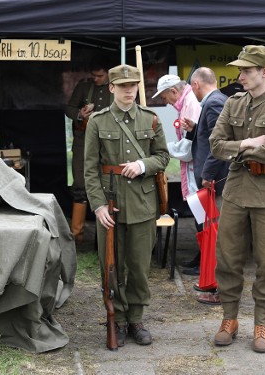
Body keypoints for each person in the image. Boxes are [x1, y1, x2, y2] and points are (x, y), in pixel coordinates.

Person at [208, 45, 265, 353]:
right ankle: (229, 319)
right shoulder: (233, 103)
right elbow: (215, 145)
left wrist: (237, 147)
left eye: (246, 70)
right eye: (240, 70)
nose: (240, 75)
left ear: (264, 72)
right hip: (235, 190)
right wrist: (247, 141)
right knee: (228, 259)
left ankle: (262, 323)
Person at [84, 64, 169, 347]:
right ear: (111, 88)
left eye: (133, 85)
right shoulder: (97, 121)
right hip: (111, 203)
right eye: (122, 86)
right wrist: (98, 206)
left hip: (143, 204)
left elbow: (163, 157)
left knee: (139, 267)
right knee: (112, 267)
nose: (129, 90)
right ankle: (117, 320)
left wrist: (143, 164)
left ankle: (136, 319)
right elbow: (90, 169)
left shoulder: (152, 119)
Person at [178, 68, 230, 295]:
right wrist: (194, 130)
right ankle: (213, 280)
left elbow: (220, 142)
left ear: (196, 84)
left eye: (192, 88)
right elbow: (211, 135)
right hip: (214, 179)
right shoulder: (217, 101)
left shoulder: (214, 102)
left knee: (217, 233)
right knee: (213, 231)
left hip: (215, 181)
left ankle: (218, 284)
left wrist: (207, 175)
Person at [65, 60, 113, 243]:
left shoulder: (116, 89)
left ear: (108, 73)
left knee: (108, 185)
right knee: (79, 184)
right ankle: (76, 236)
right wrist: (80, 114)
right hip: (83, 142)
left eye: (100, 76)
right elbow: (69, 108)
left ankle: (106, 235)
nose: (96, 79)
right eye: (93, 75)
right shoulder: (84, 87)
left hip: (108, 144)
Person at [152, 74, 201, 200]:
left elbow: (189, 148)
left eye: (164, 98)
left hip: (197, 172)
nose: (166, 102)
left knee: (202, 217)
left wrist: (160, 148)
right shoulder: (186, 103)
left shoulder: (191, 104)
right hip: (193, 171)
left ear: (173, 91)